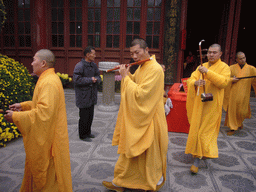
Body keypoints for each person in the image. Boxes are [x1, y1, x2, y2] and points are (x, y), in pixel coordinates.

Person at [102, 38, 168, 191]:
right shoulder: (142, 67)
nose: (135, 57)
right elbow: (136, 83)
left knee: (150, 155)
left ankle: (153, 181)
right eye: (132, 54)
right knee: (131, 154)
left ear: (146, 50)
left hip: (150, 118)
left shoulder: (155, 69)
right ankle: (121, 181)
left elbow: (141, 95)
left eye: (137, 52)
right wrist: (127, 74)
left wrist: (125, 78)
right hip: (143, 117)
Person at [4, 49, 73, 191]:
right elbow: (41, 104)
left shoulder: (48, 82)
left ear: (43, 63)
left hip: (51, 141)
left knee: (49, 180)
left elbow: (44, 113)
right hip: (51, 135)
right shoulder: (47, 78)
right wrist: (23, 106)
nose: (31, 63)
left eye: (34, 59)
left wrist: (16, 117)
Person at [185, 44, 230, 174]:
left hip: (212, 105)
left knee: (204, 132)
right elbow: (191, 79)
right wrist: (195, 83)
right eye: (209, 52)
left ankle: (196, 162)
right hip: (200, 104)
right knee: (197, 129)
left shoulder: (224, 67)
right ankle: (199, 152)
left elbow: (223, 82)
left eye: (214, 52)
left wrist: (208, 73)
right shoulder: (202, 66)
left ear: (220, 54)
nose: (211, 55)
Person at [223, 52, 256, 136]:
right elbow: (225, 78)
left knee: (242, 111)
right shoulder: (231, 68)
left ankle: (239, 122)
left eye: (244, 58)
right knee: (232, 111)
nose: (243, 60)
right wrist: (231, 79)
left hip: (244, 94)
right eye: (240, 58)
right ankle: (232, 127)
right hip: (233, 94)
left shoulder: (252, 69)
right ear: (236, 60)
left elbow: (255, 81)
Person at [73, 46, 101, 142]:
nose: (95, 55)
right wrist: (90, 80)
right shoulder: (79, 66)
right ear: (87, 55)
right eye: (93, 53)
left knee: (90, 116)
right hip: (83, 96)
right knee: (84, 117)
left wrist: (97, 79)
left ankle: (88, 132)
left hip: (92, 95)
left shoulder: (93, 65)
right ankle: (83, 135)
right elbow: (76, 80)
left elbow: (98, 75)